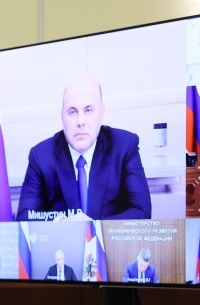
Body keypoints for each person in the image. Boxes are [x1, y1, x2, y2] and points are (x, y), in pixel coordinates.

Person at [16, 75, 151, 221]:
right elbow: (24, 217)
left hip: (109, 243)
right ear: (62, 117)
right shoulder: (41, 156)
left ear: (101, 113)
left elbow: (141, 212)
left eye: (88, 110)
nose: (80, 122)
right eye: (72, 112)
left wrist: (93, 229)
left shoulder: (124, 146)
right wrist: (62, 223)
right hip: (63, 243)